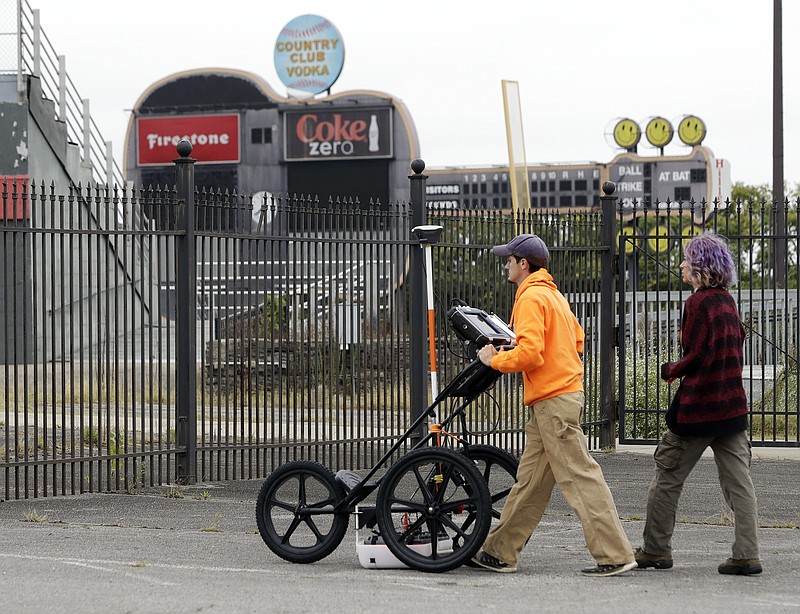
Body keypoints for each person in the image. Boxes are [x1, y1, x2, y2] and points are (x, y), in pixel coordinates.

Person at [470, 233, 636, 577]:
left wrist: (494, 360)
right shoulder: (554, 295)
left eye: (509, 260)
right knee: (530, 481)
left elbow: (531, 353)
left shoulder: (530, 297)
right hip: (560, 396)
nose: (505, 265)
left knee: (580, 476)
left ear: (523, 264)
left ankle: (614, 554)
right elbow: (577, 339)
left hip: (552, 402)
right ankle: (498, 552)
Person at [635, 232, 762, 575]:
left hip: (697, 411)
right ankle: (746, 554)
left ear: (699, 267)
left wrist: (670, 370)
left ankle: (655, 550)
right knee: (739, 484)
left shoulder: (696, 303)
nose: (681, 264)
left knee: (667, 479)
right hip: (732, 411)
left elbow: (695, 355)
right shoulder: (728, 301)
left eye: (687, 260)